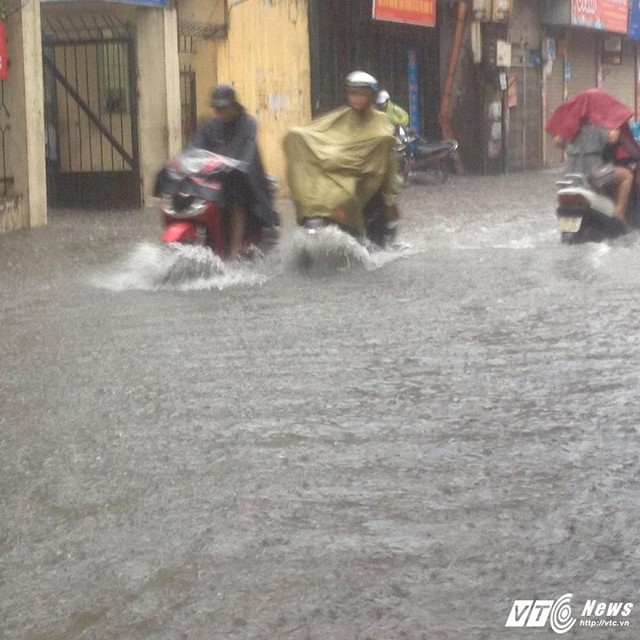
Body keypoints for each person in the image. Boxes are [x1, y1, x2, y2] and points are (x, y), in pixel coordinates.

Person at [283, 71, 400, 246]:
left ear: (370, 96)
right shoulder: (340, 118)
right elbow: (317, 135)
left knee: (376, 240)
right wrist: (297, 137)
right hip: (341, 178)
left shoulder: (381, 123)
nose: (357, 98)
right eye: (353, 93)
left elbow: (386, 161)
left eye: (361, 94)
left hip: (370, 184)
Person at [188, 84, 280, 258]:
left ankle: (234, 252)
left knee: (237, 199)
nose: (219, 112)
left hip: (244, 178)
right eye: (216, 108)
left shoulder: (248, 123)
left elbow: (248, 147)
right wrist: (185, 160)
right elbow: (195, 146)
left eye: (223, 108)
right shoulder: (210, 126)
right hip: (215, 177)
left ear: (233, 105)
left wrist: (239, 165)